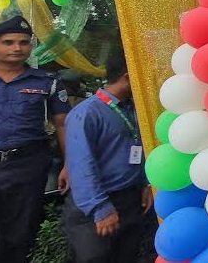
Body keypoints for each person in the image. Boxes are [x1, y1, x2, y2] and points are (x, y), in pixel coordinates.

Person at [62, 52, 152, 263]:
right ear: (128, 77)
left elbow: (141, 148)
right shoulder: (86, 113)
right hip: (97, 206)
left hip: (130, 200)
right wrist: (100, 209)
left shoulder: (134, 108)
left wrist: (146, 184)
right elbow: (81, 165)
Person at [0, 15, 71, 263]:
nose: (17, 48)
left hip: (26, 166)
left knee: (20, 235)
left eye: (23, 42)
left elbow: (62, 124)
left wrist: (68, 164)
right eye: (8, 42)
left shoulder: (48, 81)